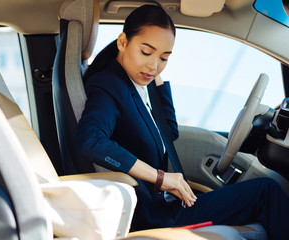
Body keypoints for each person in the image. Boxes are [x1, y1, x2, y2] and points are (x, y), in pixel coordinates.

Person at [75, 5, 289, 239]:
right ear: (123, 42)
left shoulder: (135, 81)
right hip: (153, 215)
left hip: (168, 204)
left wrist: (154, 74)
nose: (154, 65)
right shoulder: (108, 85)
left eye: (164, 57)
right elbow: (90, 140)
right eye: (146, 52)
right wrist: (161, 178)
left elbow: (170, 131)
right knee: (266, 192)